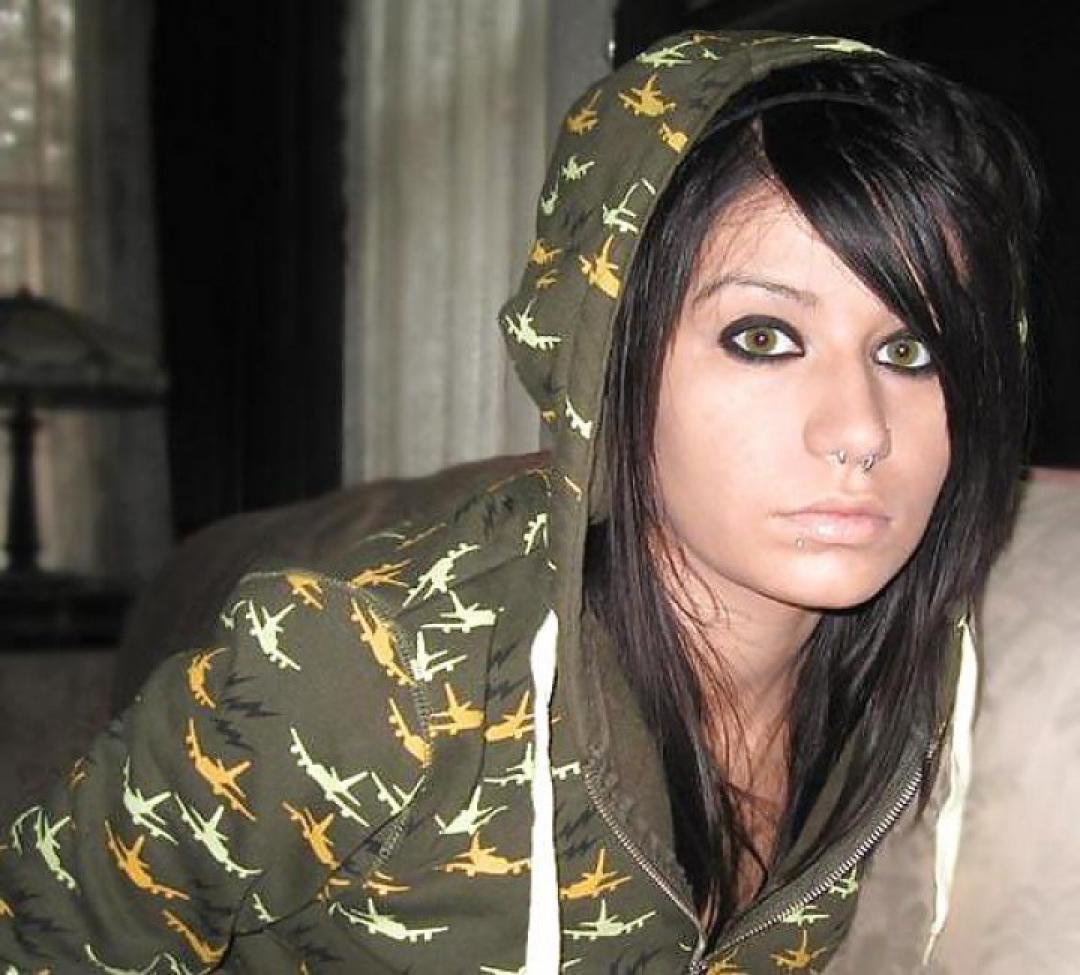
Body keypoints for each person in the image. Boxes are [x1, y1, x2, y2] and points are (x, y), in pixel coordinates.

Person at [0, 28, 1042, 974]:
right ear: (604, 356)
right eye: (763, 337)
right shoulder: (361, 671)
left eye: (911, 350)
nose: (860, 429)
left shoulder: (896, 690)